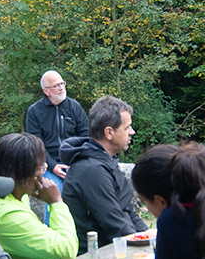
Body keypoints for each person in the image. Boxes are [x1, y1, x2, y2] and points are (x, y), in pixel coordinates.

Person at [60, 95, 147, 249]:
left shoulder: (105, 161)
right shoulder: (91, 171)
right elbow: (113, 223)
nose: (132, 132)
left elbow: (129, 211)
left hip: (115, 248)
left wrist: (150, 239)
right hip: (96, 257)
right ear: (109, 132)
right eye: (127, 128)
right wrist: (145, 249)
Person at [0, 133, 78, 259]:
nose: (43, 174)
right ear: (25, 173)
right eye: (41, 168)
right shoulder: (7, 214)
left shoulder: (17, 195)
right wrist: (56, 202)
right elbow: (67, 248)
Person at [25, 70, 89, 189]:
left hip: (75, 161)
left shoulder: (75, 107)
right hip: (48, 165)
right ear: (46, 91)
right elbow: (35, 145)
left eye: (62, 83)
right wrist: (53, 166)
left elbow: (85, 136)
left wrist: (77, 161)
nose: (61, 88)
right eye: (56, 86)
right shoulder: (34, 112)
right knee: (52, 190)